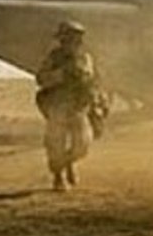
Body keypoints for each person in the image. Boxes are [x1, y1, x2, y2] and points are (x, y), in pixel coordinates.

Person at [35, 20, 101, 191]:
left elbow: (93, 82)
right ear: (63, 39)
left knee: (82, 145)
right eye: (70, 38)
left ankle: (68, 163)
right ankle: (58, 177)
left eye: (77, 38)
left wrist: (96, 105)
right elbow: (41, 78)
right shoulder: (53, 58)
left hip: (79, 106)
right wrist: (62, 74)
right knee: (55, 143)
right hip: (58, 104)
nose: (74, 42)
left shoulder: (86, 58)